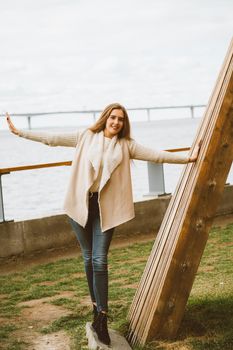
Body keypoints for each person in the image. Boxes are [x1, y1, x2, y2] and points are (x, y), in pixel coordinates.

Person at [6, 103, 200, 346]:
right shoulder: (85, 136)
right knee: (88, 257)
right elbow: (52, 139)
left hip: (105, 209)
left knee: (100, 259)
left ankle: (103, 317)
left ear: (123, 124)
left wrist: (188, 158)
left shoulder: (126, 146)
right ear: (105, 118)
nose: (116, 122)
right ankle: (96, 309)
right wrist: (20, 132)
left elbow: (156, 155)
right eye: (113, 117)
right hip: (81, 205)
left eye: (120, 119)